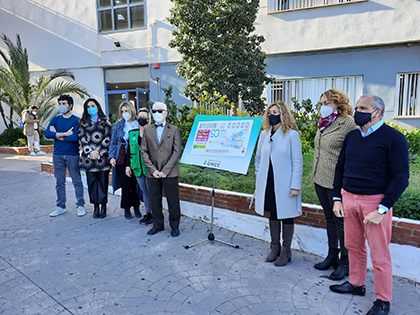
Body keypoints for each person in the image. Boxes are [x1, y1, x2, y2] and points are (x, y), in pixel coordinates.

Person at [330, 95, 409, 315]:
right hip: (349, 198)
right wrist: (337, 198)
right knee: (353, 247)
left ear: (377, 112)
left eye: (362, 108)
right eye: (356, 107)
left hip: (374, 203)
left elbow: (401, 177)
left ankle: (383, 300)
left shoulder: (394, 138)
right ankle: (356, 284)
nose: (357, 111)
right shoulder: (352, 137)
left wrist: (382, 209)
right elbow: (340, 167)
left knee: (379, 255)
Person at [311, 89, 357, 280]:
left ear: (338, 104)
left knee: (341, 222)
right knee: (329, 219)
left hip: (336, 182)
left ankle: (346, 263)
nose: (323, 107)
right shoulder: (322, 123)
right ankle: (332, 255)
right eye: (321, 103)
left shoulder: (349, 125)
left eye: (327, 103)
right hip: (320, 178)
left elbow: (354, 154)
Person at [254, 101, 303, 266]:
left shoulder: (291, 135)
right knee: (273, 213)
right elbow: (258, 158)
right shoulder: (264, 134)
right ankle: (275, 246)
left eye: (275, 112)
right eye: (269, 112)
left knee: (286, 214)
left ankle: (286, 250)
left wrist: (295, 186)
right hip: (268, 181)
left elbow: (298, 162)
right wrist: (258, 176)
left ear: (283, 114)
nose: (271, 115)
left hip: (285, 182)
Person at [141, 101, 182, 237]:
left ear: (166, 113)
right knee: (154, 199)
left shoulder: (174, 129)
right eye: (154, 111)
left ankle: (174, 226)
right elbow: (144, 152)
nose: (157, 114)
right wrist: (153, 170)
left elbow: (176, 151)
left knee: (173, 200)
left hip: (170, 172)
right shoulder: (147, 130)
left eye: (160, 111)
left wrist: (166, 170)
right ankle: (157, 225)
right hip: (153, 173)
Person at [44, 94, 85, 217]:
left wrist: (57, 135)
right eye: (60, 103)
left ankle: (80, 205)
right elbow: (47, 134)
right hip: (58, 155)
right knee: (59, 182)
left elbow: (76, 137)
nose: (61, 106)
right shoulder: (55, 119)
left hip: (72, 154)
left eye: (64, 104)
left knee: (77, 181)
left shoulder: (76, 120)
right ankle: (61, 206)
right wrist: (66, 133)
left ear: (70, 105)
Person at [78, 98, 112, 219]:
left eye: (93, 105)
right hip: (89, 160)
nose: (91, 108)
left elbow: (107, 138)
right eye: (88, 106)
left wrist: (98, 152)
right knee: (92, 184)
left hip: (102, 159)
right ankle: (95, 207)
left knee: (103, 183)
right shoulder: (83, 123)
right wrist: (90, 152)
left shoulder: (105, 121)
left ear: (97, 107)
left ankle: (103, 206)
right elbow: (82, 138)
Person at [109, 101, 141, 219]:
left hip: (136, 155)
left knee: (135, 184)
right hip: (122, 155)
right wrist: (112, 157)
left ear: (131, 110)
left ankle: (136, 206)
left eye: (126, 111)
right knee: (126, 184)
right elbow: (113, 142)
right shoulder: (118, 125)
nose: (124, 113)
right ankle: (127, 208)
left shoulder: (138, 122)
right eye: (122, 111)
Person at [126, 107, 153, 225]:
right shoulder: (132, 133)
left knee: (152, 192)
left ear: (148, 119)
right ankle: (148, 214)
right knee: (145, 192)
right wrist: (128, 166)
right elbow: (129, 151)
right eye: (139, 117)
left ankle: (155, 215)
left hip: (150, 168)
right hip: (137, 168)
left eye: (144, 117)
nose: (141, 119)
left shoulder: (153, 132)